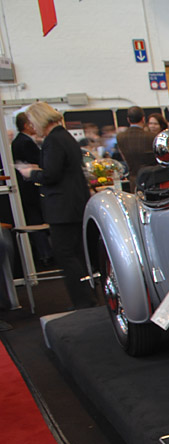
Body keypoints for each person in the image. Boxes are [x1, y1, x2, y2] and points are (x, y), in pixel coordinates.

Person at [17, 102, 95, 309]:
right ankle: (88, 298)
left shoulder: (53, 141)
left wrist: (31, 173)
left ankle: (82, 302)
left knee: (65, 254)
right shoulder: (66, 137)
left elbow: (51, 175)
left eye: (33, 122)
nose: (32, 126)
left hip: (62, 208)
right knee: (77, 254)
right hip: (75, 204)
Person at [10, 112, 51, 265]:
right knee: (37, 220)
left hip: (29, 189)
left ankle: (45, 253)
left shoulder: (20, 141)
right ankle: (46, 254)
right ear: (27, 125)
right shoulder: (24, 143)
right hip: (31, 190)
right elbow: (38, 162)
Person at [116, 106, 157, 192]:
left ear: (128, 119)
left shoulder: (120, 137)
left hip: (134, 180)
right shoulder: (152, 137)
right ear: (143, 119)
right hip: (152, 180)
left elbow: (124, 157)